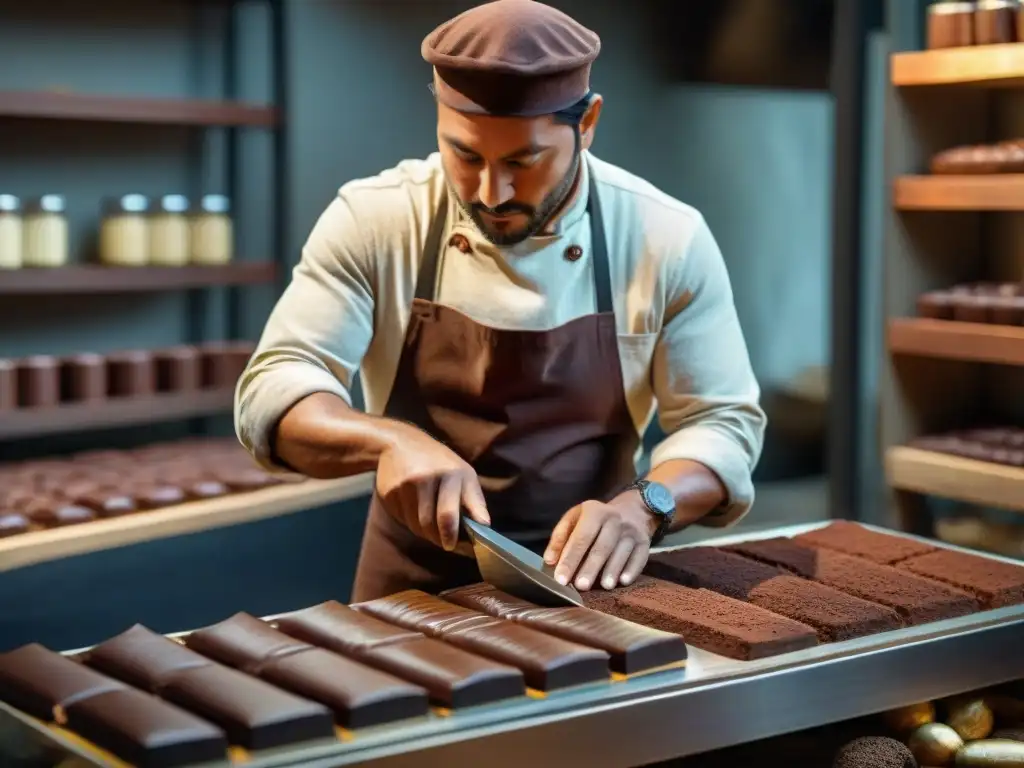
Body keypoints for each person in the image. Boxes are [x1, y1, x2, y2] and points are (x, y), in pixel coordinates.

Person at [234, 0, 766, 602]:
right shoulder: (376, 218)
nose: (492, 192)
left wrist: (643, 507)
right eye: (465, 156)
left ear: (586, 123)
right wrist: (390, 441)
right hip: (407, 591)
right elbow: (274, 388)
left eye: (523, 161)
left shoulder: (664, 237)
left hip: (593, 585)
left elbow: (722, 422)